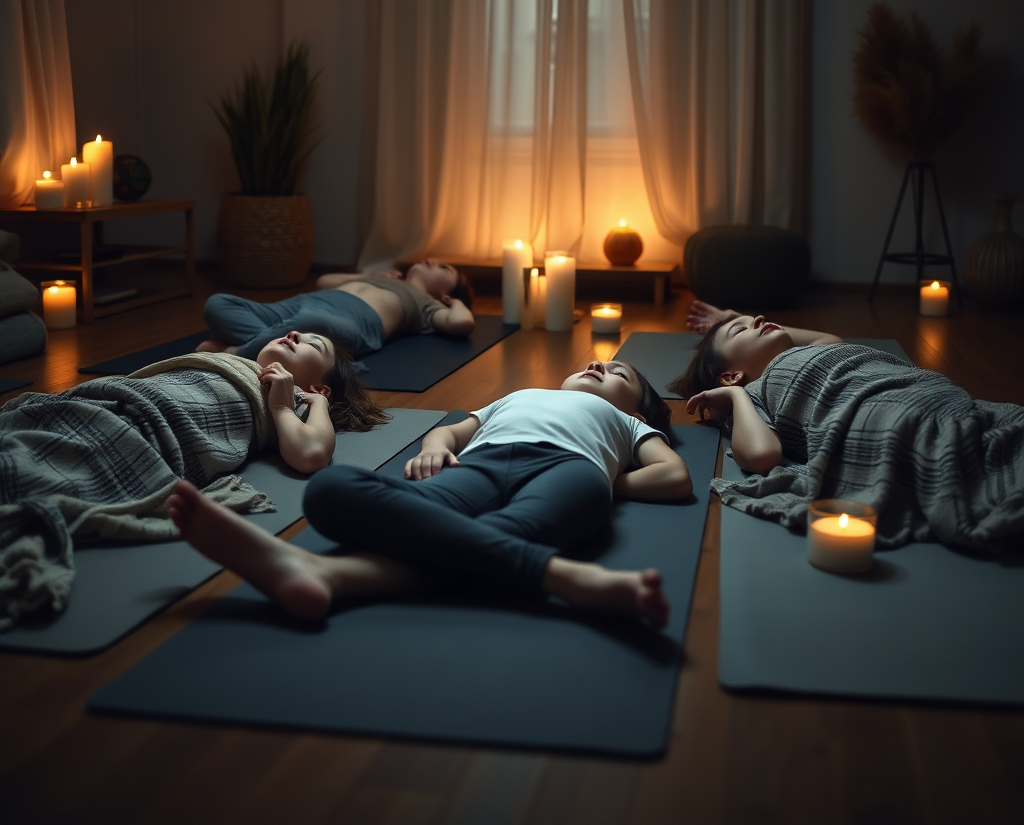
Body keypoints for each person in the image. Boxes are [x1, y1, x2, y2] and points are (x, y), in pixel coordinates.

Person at [169, 359, 693, 629]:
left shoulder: (625, 421)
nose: (599, 367)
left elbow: (674, 477)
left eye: (617, 372)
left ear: (639, 408)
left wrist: (605, 475)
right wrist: (436, 446)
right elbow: (453, 432)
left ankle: (329, 574)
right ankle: (561, 576)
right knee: (330, 487)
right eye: (593, 365)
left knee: (499, 533)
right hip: (477, 465)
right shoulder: (520, 395)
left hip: (570, 471)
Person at [0, 331, 387, 630]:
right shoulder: (233, 362)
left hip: (147, 428)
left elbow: (311, 454)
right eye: (296, 332)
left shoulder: (295, 397)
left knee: (35, 464)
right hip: (115, 399)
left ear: (319, 386)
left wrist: (298, 404)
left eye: (312, 345)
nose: (294, 336)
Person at [669, 309, 1024, 552]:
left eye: (755, 318)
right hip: (885, 414)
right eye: (741, 329)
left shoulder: (817, 351)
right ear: (731, 376)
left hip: (924, 389)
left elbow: (827, 335)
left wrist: (730, 316)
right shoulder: (754, 392)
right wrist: (734, 397)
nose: (760, 318)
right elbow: (762, 456)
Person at [197, 259, 476, 364]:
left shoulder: (428, 305)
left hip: (345, 323)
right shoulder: (388, 277)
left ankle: (235, 356)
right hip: (300, 304)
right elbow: (324, 281)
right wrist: (370, 274)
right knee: (217, 303)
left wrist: (454, 303)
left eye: (444, 268)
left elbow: (461, 323)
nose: (431, 260)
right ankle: (260, 345)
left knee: (310, 322)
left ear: (446, 293)